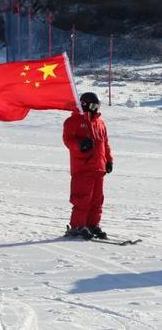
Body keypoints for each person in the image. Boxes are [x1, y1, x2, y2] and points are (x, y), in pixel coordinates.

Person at [63, 92, 113, 240]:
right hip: (83, 167)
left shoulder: (100, 122)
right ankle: (77, 226)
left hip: (99, 167)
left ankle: (92, 225)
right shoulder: (73, 121)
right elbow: (67, 140)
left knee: (97, 199)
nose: (95, 109)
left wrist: (109, 160)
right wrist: (80, 145)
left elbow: (105, 143)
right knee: (82, 198)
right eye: (93, 106)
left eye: (97, 106)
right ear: (84, 105)